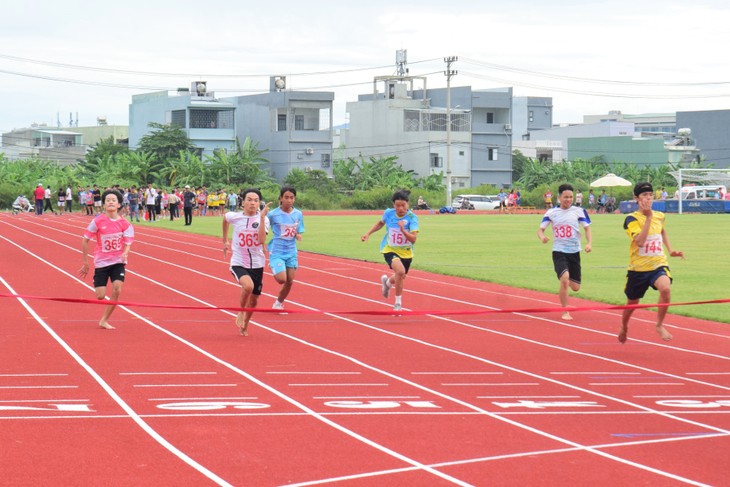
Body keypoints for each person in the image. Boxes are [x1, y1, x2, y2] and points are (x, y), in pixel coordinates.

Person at [618, 182, 684, 344]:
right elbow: (640, 242)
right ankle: (624, 326)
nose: (648, 199)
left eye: (650, 195)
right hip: (638, 269)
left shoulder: (660, 216)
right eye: (644, 196)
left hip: (658, 264)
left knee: (666, 288)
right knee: (632, 304)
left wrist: (670, 249)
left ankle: (659, 324)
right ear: (636, 198)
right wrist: (648, 217)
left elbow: (662, 231)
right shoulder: (631, 219)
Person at [78, 189, 134, 330]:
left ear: (119, 204)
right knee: (100, 296)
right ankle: (97, 283)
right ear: (103, 204)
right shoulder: (97, 221)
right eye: (107, 200)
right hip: (102, 262)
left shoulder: (125, 224)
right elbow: (85, 240)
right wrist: (85, 262)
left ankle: (104, 320)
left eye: (113, 200)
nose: (110, 202)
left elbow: (128, 243)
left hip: (118, 262)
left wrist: (125, 253)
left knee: (117, 289)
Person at [537, 183, 592, 321]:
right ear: (559, 197)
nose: (568, 200)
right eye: (565, 197)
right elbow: (540, 230)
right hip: (559, 251)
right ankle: (565, 310)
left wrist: (589, 243)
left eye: (570, 197)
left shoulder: (579, 211)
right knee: (564, 279)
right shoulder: (551, 213)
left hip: (574, 252)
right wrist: (543, 237)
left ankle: (566, 302)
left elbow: (587, 229)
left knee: (575, 287)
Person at [361, 189, 420, 312]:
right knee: (400, 271)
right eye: (397, 205)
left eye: (403, 205)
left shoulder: (412, 218)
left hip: (406, 252)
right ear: (394, 205)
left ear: (408, 204)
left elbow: (413, 239)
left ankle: (387, 283)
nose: (400, 208)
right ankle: (398, 303)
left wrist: (403, 230)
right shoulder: (389, 213)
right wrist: (368, 233)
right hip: (389, 249)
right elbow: (380, 223)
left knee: (401, 275)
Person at [222, 188, 270, 336]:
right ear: (242, 202)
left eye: (256, 201)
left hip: (257, 263)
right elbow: (225, 219)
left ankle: (245, 325)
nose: (252, 203)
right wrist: (225, 240)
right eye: (249, 200)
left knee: (254, 300)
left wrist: (261, 218)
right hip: (238, 261)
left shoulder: (264, 219)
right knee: (248, 286)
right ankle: (241, 312)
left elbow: (262, 240)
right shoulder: (234, 216)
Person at [267, 185, 305, 310]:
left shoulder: (298, 214)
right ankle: (273, 264)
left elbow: (298, 229)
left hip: (291, 251)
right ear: (281, 198)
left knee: (290, 280)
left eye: (292, 198)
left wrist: (298, 234)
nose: (289, 200)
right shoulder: (273, 214)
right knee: (281, 279)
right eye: (286, 197)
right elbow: (263, 227)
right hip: (277, 250)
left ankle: (278, 303)